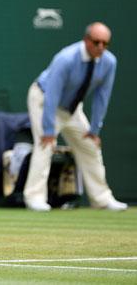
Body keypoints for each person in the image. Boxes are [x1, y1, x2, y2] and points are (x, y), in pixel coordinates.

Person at [24, 22, 128, 212]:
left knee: (90, 146)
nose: (101, 47)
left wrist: (94, 130)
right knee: (45, 145)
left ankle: (102, 199)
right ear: (86, 40)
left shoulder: (109, 62)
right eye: (97, 42)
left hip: (72, 109)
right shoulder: (66, 58)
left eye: (105, 43)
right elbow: (52, 95)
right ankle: (35, 198)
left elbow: (101, 97)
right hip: (43, 99)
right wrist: (48, 130)